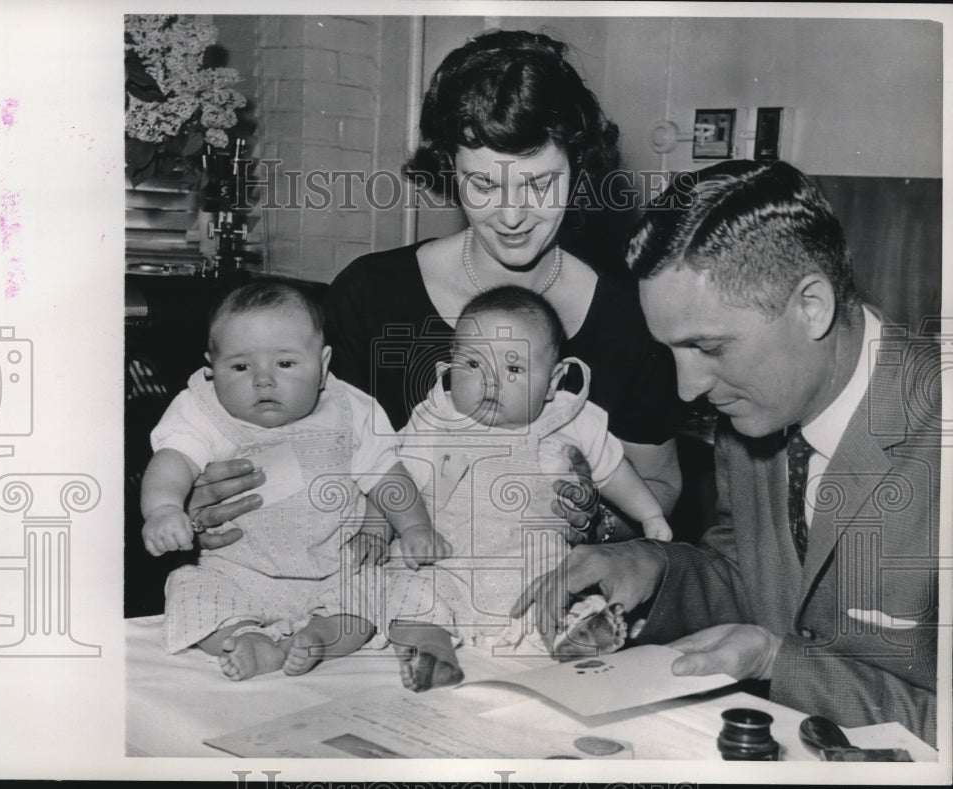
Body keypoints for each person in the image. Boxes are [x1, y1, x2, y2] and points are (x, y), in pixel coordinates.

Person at [514, 160, 939, 746]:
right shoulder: (755, 416)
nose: (689, 389)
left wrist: (777, 662)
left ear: (811, 305)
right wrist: (653, 568)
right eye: (673, 353)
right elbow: (750, 580)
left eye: (709, 347)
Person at [324, 29, 684, 526]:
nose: (512, 215)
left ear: (578, 168)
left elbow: (660, 485)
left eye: (539, 183)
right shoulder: (370, 295)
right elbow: (313, 460)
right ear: (449, 167)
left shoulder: (628, 316)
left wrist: (595, 524)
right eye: (483, 184)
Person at [141, 281, 449, 681]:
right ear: (211, 368)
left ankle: (318, 636)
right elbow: (172, 461)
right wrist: (164, 508)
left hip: (335, 570)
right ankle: (246, 640)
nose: (262, 380)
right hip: (237, 571)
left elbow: (388, 474)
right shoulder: (202, 411)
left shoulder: (350, 410)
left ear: (322, 365)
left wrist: (415, 527)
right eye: (240, 367)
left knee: (368, 600)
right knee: (191, 590)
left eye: (285, 364)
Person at [377, 286, 673, 690]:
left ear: (552, 382)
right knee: (410, 593)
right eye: (474, 364)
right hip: (444, 558)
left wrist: (650, 515)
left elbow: (613, 471)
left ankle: (574, 637)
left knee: (565, 592)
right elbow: (392, 481)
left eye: (514, 370)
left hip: (533, 566)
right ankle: (432, 651)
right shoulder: (434, 419)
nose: (492, 383)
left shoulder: (567, 421)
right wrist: (379, 529)